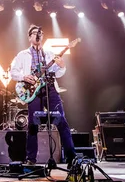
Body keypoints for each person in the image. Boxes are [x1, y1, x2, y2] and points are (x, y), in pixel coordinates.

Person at [10, 24, 77, 167]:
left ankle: (72, 157)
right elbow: (13, 72)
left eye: (40, 33)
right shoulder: (22, 55)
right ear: (29, 37)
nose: (37, 35)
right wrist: (24, 76)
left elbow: (57, 73)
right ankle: (31, 159)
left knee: (62, 121)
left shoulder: (49, 54)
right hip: (33, 92)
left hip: (50, 89)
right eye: (34, 33)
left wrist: (62, 65)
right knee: (33, 125)